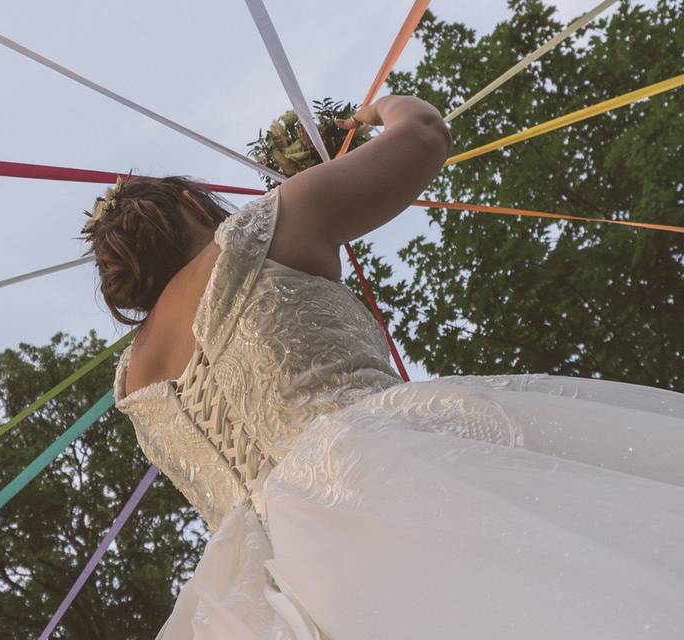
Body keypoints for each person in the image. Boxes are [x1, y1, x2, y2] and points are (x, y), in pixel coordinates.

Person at [81, 95, 684, 639]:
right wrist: (375, 112)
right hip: (379, 480)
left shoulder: (132, 386)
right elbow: (424, 134)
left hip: (261, 597)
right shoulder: (253, 232)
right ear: (192, 202)